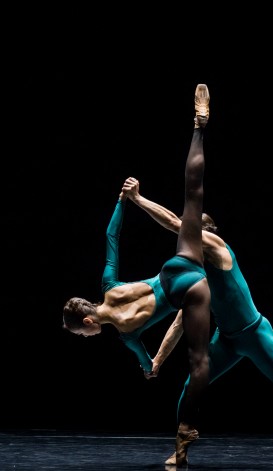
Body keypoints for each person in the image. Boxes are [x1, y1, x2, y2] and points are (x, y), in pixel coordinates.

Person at [122, 179, 273, 467]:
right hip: (227, 340)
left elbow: (174, 223)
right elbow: (180, 322)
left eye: (191, 232)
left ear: (206, 234)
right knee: (191, 386)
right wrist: (158, 360)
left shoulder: (219, 247)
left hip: (255, 333)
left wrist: (138, 199)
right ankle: (180, 452)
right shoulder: (196, 275)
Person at [62, 84, 212, 466]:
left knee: (198, 354)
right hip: (172, 270)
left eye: (82, 334)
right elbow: (111, 236)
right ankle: (199, 128)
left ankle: (184, 438)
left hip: (185, 291)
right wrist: (122, 200)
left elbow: (148, 361)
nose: (86, 338)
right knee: (189, 206)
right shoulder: (109, 285)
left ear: (88, 321)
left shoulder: (127, 337)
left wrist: (152, 368)